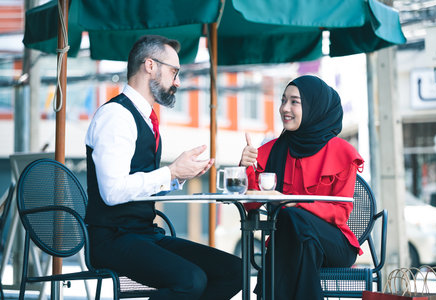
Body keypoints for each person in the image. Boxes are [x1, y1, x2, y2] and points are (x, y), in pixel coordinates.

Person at [85, 35, 242, 300]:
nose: (178, 81)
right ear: (150, 66)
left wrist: (178, 176)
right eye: (174, 72)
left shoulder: (145, 119)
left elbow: (139, 185)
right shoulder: (116, 116)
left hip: (144, 234)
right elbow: (112, 192)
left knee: (234, 271)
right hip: (111, 239)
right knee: (191, 281)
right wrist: (170, 172)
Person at [240, 75, 364, 299]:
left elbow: (340, 212)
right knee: (300, 238)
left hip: (335, 244)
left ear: (314, 106)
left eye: (294, 101)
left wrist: (297, 203)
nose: (284, 108)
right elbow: (252, 204)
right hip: (293, 241)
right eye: (283, 100)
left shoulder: (341, 152)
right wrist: (247, 166)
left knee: (293, 217)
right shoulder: (272, 149)